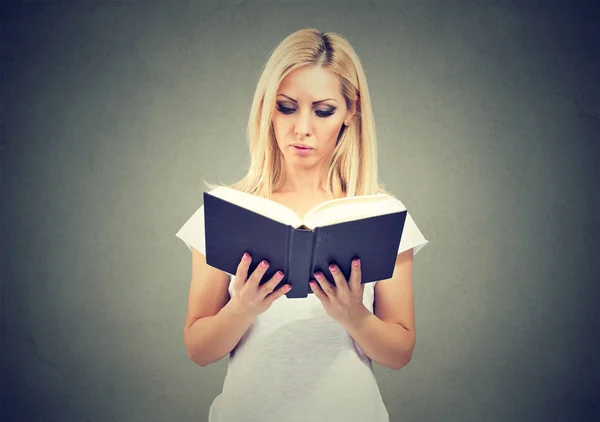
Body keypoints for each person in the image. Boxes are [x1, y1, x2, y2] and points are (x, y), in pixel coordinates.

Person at [175, 28, 428, 422]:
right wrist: (242, 308)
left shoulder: (383, 215)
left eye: (323, 110)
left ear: (350, 112)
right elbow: (199, 349)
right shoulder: (225, 210)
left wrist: (354, 317)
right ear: (266, 108)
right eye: (286, 107)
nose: (302, 128)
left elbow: (400, 353)